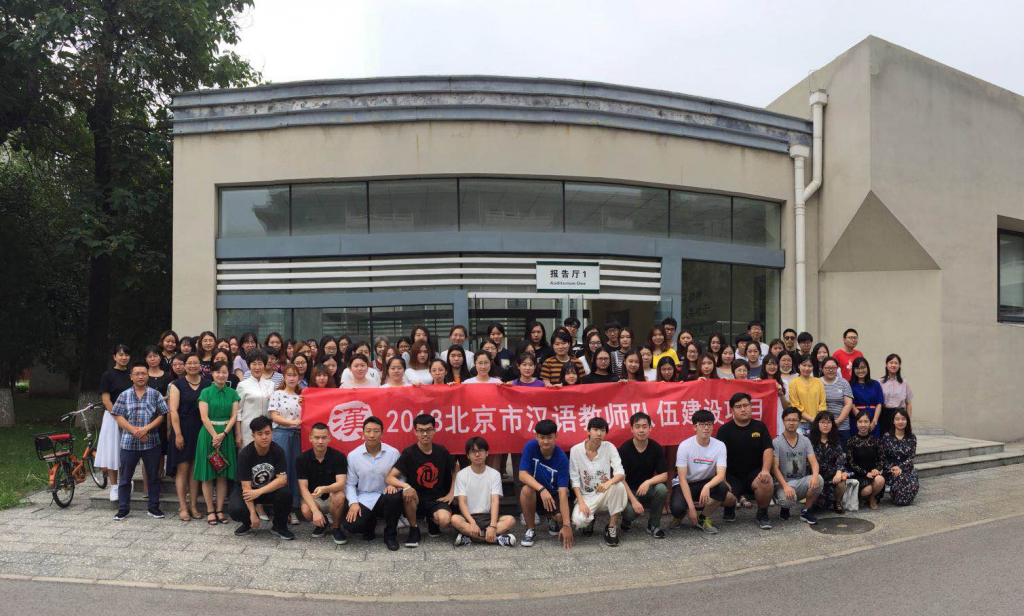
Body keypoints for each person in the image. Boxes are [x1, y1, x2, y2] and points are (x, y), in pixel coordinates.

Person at [384, 414, 458, 548]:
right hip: (416, 498)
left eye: (429, 430)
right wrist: (406, 486)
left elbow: (456, 467)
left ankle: (432, 521)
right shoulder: (409, 453)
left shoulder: (441, 451)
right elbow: (390, 477)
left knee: (444, 520)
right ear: (415, 432)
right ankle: (414, 529)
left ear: (434, 431)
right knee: (407, 493)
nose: (425, 434)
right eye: (421, 430)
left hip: (437, 498)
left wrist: (452, 492)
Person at [110, 361, 169, 521]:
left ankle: (153, 507)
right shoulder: (124, 395)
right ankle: (123, 509)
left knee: (153, 477)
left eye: (143, 373)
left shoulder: (155, 394)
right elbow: (118, 416)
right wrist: (135, 431)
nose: (141, 376)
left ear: (148, 376)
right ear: (131, 377)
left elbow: (162, 415)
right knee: (125, 478)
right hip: (129, 443)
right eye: (137, 374)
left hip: (151, 442)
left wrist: (145, 429)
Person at [229, 416, 294, 539]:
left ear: (272, 433)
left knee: (285, 493)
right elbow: (246, 488)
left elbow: (282, 480)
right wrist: (253, 513)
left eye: (267, 433)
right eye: (260, 434)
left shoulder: (278, 451)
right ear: (253, 436)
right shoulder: (245, 454)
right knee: (235, 509)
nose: (264, 437)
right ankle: (248, 523)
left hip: (267, 490)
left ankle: (279, 526)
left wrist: (259, 491)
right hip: (248, 491)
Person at [343, 416, 402, 550]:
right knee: (352, 526)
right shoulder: (353, 456)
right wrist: (353, 503)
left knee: (395, 498)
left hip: (386, 495)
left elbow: (402, 477)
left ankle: (390, 536)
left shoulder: (393, 453)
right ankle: (370, 524)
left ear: (382, 433)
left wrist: (394, 485)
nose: (372, 435)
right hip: (364, 497)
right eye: (368, 431)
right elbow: (350, 484)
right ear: (362, 433)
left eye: (376, 431)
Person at [716, 392, 774, 529]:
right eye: (738, 406)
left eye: (746, 405)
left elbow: (768, 449)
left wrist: (766, 470)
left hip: (754, 473)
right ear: (732, 410)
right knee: (721, 492)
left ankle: (762, 513)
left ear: (750, 407)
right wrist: (721, 477)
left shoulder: (760, 426)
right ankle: (729, 508)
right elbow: (718, 456)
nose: (743, 409)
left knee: (766, 481)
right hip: (732, 475)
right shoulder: (724, 430)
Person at [569, 417, 627, 546]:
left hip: (604, 493)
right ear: (588, 431)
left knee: (619, 486)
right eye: (595, 429)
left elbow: (620, 472)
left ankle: (611, 527)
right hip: (586, 496)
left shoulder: (609, 447)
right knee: (579, 521)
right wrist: (581, 502)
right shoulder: (576, 450)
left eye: (602, 430)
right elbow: (574, 479)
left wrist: (608, 483)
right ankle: (590, 520)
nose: (599, 433)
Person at [194, 360, 239, 525]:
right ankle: (210, 510)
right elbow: (204, 416)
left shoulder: (233, 393)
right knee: (207, 475)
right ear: (212, 374)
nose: (221, 375)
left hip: (226, 435)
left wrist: (224, 434)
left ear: (228, 374)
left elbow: (234, 416)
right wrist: (215, 436)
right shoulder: (205, 392)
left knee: (222, 475)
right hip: (208, 435)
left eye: (224, 372)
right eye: (218, 372)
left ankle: (219, 509)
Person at [167, 353, 210, 521]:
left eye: (196, 363)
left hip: (201, 430)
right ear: (184, 366)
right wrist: (177, 434)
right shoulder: (177, 385)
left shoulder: (207, 384)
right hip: (183, 429)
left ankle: (193, 505)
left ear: (200, 365)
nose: (193, 366)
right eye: (189, 363)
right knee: (183, 469)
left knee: (195, 469)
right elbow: (173, 410)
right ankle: (183, 507)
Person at [670, 409, 727, 534]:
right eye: (702, 424)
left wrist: (707, 486)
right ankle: (679, 516)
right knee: (677, 508)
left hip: (705, 482)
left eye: (709, 424)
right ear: (694, 427)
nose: (706, 428)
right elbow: (682, 479)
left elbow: (721, 475)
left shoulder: (720, 446)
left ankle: (702, 518)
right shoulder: (685, 446)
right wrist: (691, 508)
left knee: (722, 488)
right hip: (686, 483)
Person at [451, 437, 517, 547]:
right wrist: (472, 522)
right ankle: (497, 539)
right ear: (468, 456)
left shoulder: (494, 474)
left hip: (488, 516)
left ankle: (471, 538)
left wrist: (493, 526)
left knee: (510, 520)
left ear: (487, 453)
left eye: (480, 450)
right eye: (473, 451)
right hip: (469, 517)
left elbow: (495, 500)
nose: (477, 454)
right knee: (454, 519)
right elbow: (462, 502)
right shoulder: (462, 475)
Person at [518, 419, 574, 549]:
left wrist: (567, 526)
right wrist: (542, 489)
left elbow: (562, 492)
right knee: (526, 490)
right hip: (537, 492)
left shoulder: (562, 458)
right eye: (542, 437)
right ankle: (531, 529)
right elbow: (522, 474)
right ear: (536, 436)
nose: (545, 441)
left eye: (549, 437)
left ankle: (551, 517)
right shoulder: (530, 447)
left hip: (553, 495)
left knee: (561, 517)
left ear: (556, 436)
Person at [617, 412, 668, 538]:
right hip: (628, 492)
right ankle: (626, 520)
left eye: (644, 426)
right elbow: (620, 478)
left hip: (645, 490)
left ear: (650, 428)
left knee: (661, 489)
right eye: (637, 426)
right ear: (632, 429)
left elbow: (664, 475)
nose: (641, 430)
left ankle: (653, 525)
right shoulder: (625, 449)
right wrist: (634, 501)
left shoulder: (655, 447)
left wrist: (648, 482)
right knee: (630, 513)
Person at [297, 423, 348, 542]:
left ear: (329, 438)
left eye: (324, 437)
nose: (320, 441)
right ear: (310, 438)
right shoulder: (301, 459)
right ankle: (323, 523)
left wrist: (325, 489)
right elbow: (303, 488)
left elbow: (341, 484)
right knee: (305, 509)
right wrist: (315, 511)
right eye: (317, 438)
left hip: (332, 496)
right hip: (314, 498)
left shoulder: (339, 457)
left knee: (339, 495)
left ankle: (336, 527)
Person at [771, 407, 822, 525]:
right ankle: (785, 508)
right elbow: (774, 468)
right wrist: (785, 486)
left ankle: (806, 511)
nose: (791, 423)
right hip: (783, 483)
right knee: (787, 501)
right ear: (783, 421)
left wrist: (815, 476)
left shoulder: (805, 440)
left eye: (794, 420)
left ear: (799, 422)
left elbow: (814, 462)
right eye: (788, 420)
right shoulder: (776, 442)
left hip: (801, 481)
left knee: (819, 479)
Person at [268, 363, 305, 522]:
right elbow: (274, 417)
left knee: (296, 470)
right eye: (289, 375)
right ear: (284, 377)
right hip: (281, 434)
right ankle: (282, 507)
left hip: (298, 436)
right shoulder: (277, 394)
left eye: (294, 375)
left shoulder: (303, 396)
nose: (292, 378)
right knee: (282, 470)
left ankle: (294, 507)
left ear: (299, 377)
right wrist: (291, 422)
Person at [97, 344, 132, 501]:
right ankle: (114, 487)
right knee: (113, 451)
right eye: (120, 354)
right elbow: (106, 400)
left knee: (128, 452)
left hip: (131, 417)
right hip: (113, 418)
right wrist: (118, 417)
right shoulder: (108, 375)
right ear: (114, 357)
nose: (124, 357)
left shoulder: (132, 374)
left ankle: (126, 482)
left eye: (126, 355)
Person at [809, 411, 849, 514]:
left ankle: (837, 502)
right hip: (816, 475)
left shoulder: (835, 440)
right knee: (817, 505)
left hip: (832, 475)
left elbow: (840, 458)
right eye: (822, 422)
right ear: (817, 423)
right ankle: (811, 502)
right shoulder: (810, 440)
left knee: (842, 479)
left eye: (828, 422)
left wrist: (839, 472)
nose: (825, 425)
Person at [236, 349, 275, 448]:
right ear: (249, 366)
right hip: (248, 429)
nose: (257, 367)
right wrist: (238, 434)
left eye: (260, 363)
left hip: (266, 430)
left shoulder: (271, 385)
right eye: (254, 364)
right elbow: (237, 412)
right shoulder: (242, 385)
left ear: (264, 365)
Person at [846, 412, 886, 509]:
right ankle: (862, 496)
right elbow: (851, 462)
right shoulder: (851, 441)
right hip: (858, 474)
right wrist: (865, 473)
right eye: (860, 422)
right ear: (856, 423)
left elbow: (882, 459)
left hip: (872, 473)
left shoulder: (876, 440)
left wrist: (877, 469)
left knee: (880, 479)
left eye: (866, 421)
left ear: (870, 423)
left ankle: (872, 497)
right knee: (866, 490)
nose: (863, 425)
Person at [880, 409, 919, 506]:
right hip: (891, 469)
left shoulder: (912, 437)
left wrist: (901, 467)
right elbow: (883, 457)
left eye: (903, 419)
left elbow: (911, 456)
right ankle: (897, 495)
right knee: (901, 481)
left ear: (907, 421)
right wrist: (892, 468)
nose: (900, 422)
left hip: (906, 468)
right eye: (897, 419)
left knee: (913, 485)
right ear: (893, 421)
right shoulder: (886, 437)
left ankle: (904, 496)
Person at [820, 356, 855, 443]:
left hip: (842, 426)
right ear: (822, 369)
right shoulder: (817, 382)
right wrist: (827, 423)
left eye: (833, 367)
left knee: (842, 450)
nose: (831, 370)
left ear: (837, 369)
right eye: (827, 368)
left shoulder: (844, 383)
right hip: (822, 426)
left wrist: (837, 422)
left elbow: (848, 404)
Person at [788, 355, 826, 433]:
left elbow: (822, 403)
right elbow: (795, 405)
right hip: (800, 423)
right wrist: (811, 419)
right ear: (799, 366)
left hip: (817, 422)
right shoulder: (793, 383)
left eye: (810, 366)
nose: (807, 368)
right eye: (804, 365)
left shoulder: (818, 382)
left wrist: (817, 418)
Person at [879, 353, 914, 436]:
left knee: (899, 438)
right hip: (885, 414)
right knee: (884, 438)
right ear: (886, 364)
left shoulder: (904, 382)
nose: (893, 365)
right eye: (891, 362)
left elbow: (908, 404)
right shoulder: (880, 382)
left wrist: (908, 421)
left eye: (896, 363)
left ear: (899, 365)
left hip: (899, 415)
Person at [850, 357, 884, 437]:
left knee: (874, 441)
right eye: (857, 368)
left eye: (863, 367)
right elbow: (851, 405)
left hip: (873, 417)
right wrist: (862, 421)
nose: (860, 370)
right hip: (857, 418)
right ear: (853, 370)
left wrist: (874, 421)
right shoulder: (850, 385)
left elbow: (879, 403)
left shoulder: (875, 384)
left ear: (867, 368)